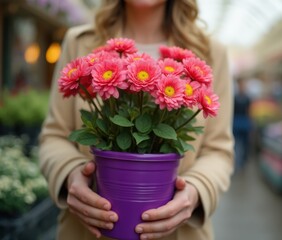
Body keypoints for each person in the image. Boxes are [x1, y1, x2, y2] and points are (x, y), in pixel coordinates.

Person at [39, 0, 234, 240]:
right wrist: (70, 174)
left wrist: (195, 191)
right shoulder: (79, 42)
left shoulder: (211, 51)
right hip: (88, 231)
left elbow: (219, 151)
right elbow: (53, 136)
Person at [232, 77, 252, 170]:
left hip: (244, 122)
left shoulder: (248, 98)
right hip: (237, 122)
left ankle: (243, 160)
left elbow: (249, 111)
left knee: (245, 144)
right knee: (235, 143)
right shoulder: (235, 97)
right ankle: (236, 160)